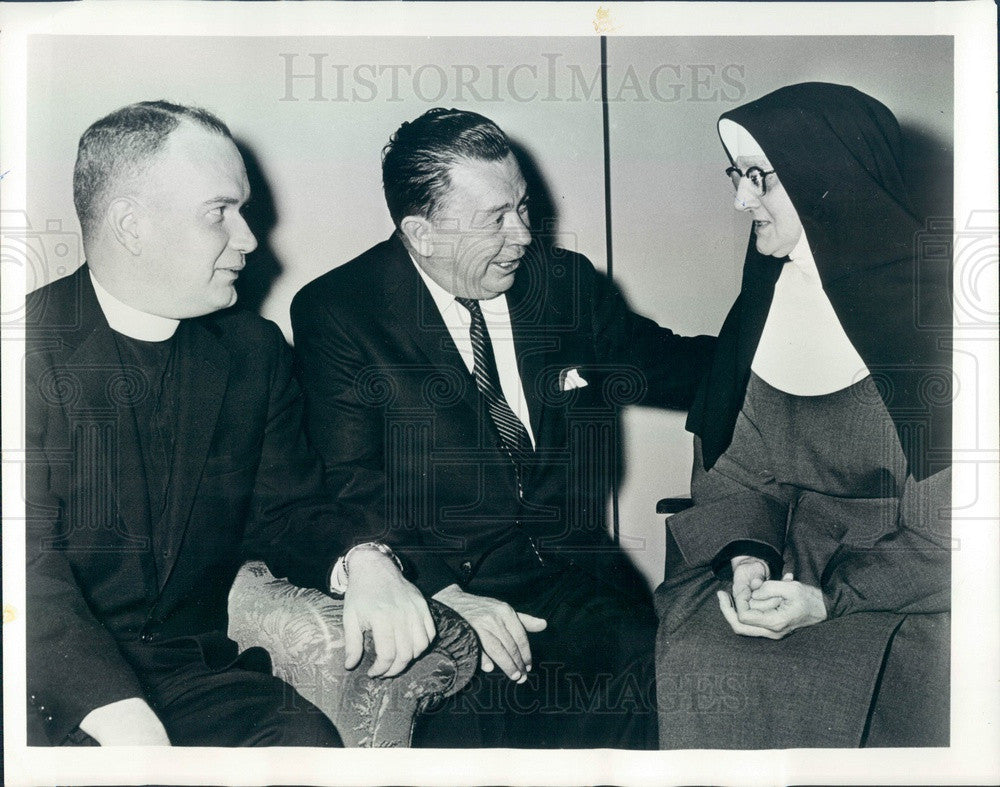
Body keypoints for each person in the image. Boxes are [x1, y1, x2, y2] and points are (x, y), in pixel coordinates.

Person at [291, 108, 716, 748]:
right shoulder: (341, 312)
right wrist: (442, 596)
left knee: (662, 687)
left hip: (578, 576)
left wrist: (790, 346)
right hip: (448, 587)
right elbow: (349, 484)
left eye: (523, 206)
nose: (523, 234)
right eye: (497, 218)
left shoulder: (563, 285)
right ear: (421, 232)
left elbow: (666, 364)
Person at [25, 101, 437, 747]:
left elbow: (290, 509)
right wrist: (113, 710)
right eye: (220, 211)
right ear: (132, 224)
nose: (248, 238)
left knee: (305, 746)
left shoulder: (251, 350)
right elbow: (22, 567)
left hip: (187, 679)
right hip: (39, 685)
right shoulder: (21, 350)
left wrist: (366, 559)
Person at [655, 82, 952, 748]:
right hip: (786, 546)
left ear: (829, 181)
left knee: (852, 674)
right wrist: (746, 558)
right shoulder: (766, 300)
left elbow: (957, 540)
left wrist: (830, 601)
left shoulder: (940, 326)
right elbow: (737, 470)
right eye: (737, 176)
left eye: (759, 178)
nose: (740, 200)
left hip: (905, 582)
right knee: (699, 645)